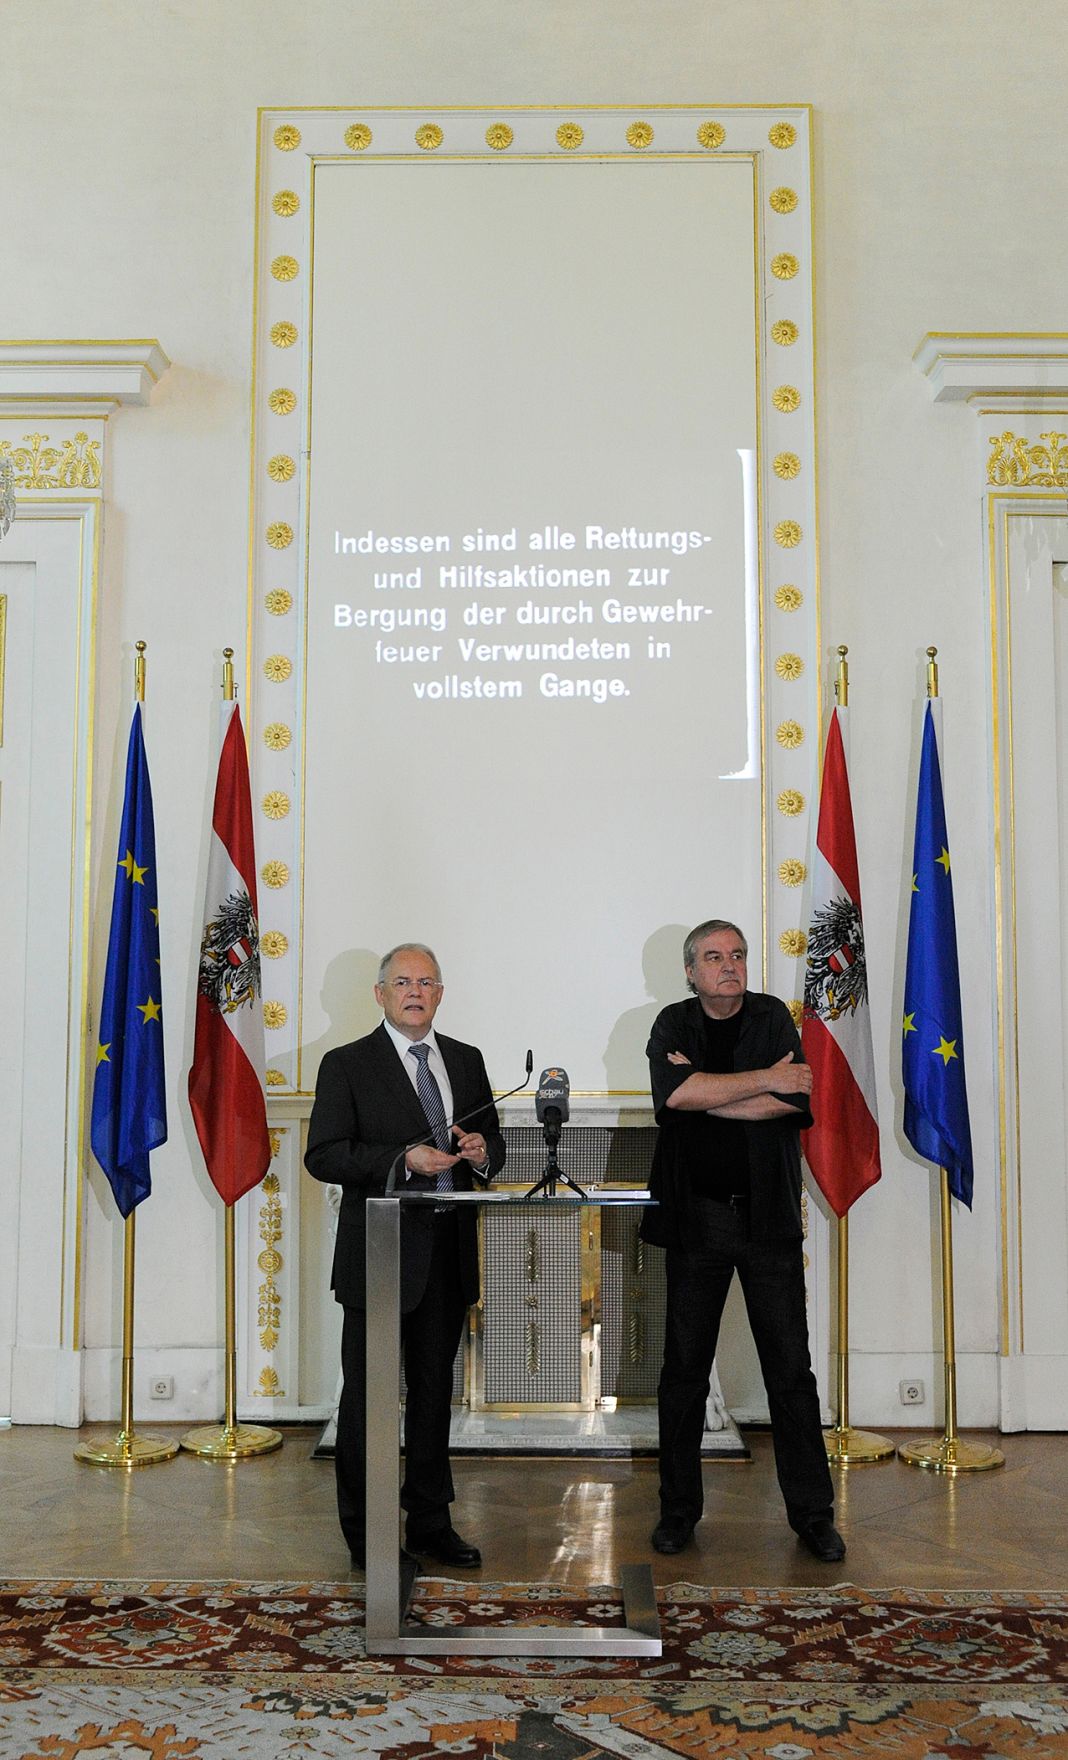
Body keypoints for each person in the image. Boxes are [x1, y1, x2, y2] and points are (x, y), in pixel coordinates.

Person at [641, 918, 844, 1563]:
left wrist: (704, 1094)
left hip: (768, 1223)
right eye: (713, 957)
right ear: (691, 972)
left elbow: (795, 1102)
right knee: (682, 1373)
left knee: (791, 1372)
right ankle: (678, 1514)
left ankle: (813, 1515)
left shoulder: (774, 1020)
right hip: (696, 1220)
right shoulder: (671, 1024)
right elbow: (674, 1097)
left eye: (737, 955)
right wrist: (762, 1080)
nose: (728, 966)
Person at [305, 941, 505, 1570]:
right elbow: (325, 1154)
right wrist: (402, 1159)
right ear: (381, 994)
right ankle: (367, 1539)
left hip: (448, 1250)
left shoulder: (467, 1060)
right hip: (379, 1255)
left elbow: (494, 1148)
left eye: (427, 982)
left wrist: (479, 1152)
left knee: (431, 1396)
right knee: (368, 1400)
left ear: (440, 994)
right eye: (402, 982)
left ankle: (429, 1523)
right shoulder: (347, 1064)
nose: (415, 991)